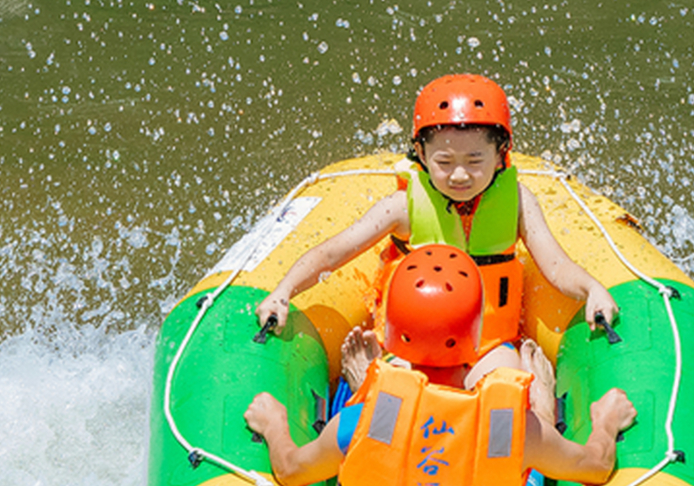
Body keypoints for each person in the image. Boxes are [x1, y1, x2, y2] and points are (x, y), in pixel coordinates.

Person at [254, 73, 619, 387]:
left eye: (475, 160)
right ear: (421, 154)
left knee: (507, 390)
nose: (460, 175)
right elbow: (336, 251)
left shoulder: (520, 203)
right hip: (410, 345)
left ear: (502, 152)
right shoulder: (403, 207)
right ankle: (363, 379)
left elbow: (555, 265)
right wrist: (283, 291)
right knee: (392, 400)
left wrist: (592, 289)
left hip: (487, 346)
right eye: (444, 162)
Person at [244, 245, 637, 486]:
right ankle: (543, 405)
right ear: (478, 336)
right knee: (530, 454)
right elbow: (596, 467)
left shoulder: (356, 422)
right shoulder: (515, 428)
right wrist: (605, 423)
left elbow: (291, 470)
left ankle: (366, 382)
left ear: (391, 340)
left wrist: (275, 425)